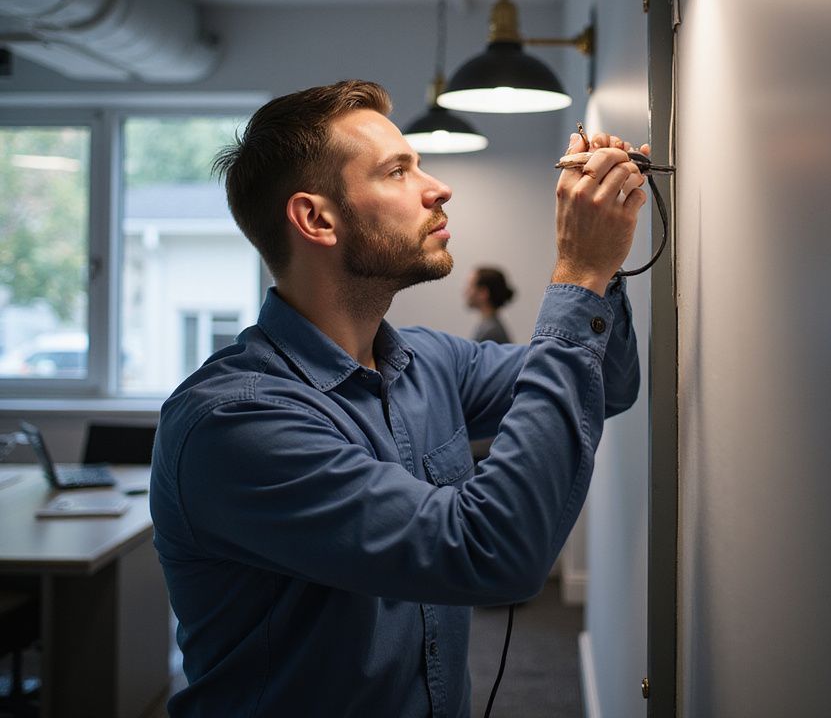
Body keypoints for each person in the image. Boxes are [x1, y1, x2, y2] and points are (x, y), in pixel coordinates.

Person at [149, 79, 648, 718]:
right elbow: (493, 553)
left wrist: (602, 264)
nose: (437, 188)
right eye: (398, 171)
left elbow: (609, 382)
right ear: (316, 219)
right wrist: (577, 273)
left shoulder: (429, 361)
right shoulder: (235, 423)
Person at [464, 265, 515, 343]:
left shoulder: (490, 332)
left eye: (470, 286)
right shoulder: (489, 327)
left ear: (483, 293)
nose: (466, 291)